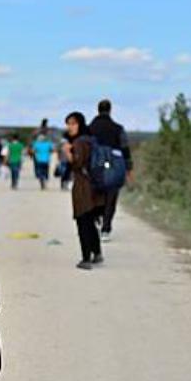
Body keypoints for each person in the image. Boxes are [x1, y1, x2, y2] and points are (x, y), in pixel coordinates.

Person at [88, 99, 133, 242]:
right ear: (110, 110)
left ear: (98, 110)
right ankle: (106, 229)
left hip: (97, 164)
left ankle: (96, 218)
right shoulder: (118, 128)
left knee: (94, 193)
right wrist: (128, 168)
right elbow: (125, 148)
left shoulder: (89, 128)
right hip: (112, 164)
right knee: (111, 196)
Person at [65, 112, 105, 270]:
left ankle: (86, 258)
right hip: (95, 187)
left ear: (80, 124)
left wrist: (68, 152)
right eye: (68, 124)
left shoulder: (79, 143)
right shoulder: (91, 140)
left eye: (73, 123)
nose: (70, 127)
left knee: (83, 222)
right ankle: (97, 253)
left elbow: (76, 163)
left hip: (83, 187)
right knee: (90, 221)